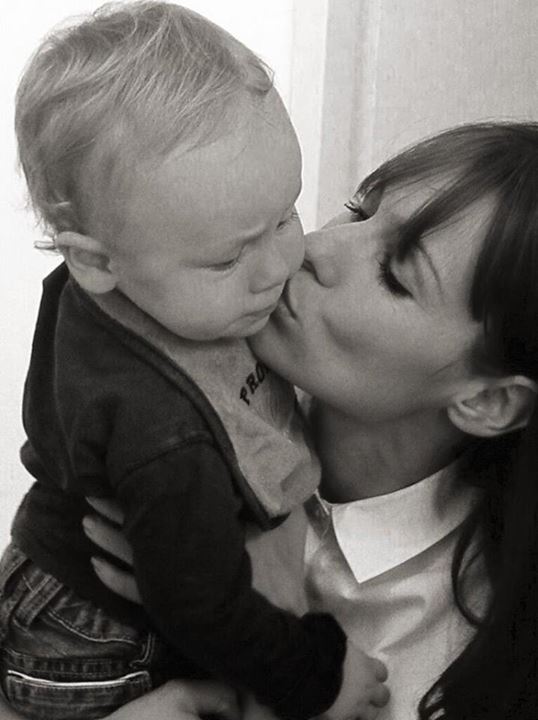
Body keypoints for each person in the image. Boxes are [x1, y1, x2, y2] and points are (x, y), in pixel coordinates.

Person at [57, 121, 538, 720]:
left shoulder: (482, 636)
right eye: (358, 210)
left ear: (490, 402)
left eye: (395, 275)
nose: (312, 250)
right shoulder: (176, 428)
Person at [0, 3, 388, 720]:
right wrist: (321, 678)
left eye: (286, 216)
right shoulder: (163, 431)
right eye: (228, 258)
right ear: (95, 262)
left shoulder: (139, 280)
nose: (279, 266)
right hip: (90, 641)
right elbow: (203, 607)